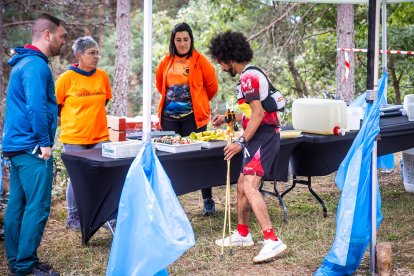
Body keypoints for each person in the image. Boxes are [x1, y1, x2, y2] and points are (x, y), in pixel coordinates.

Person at [209, 31, 287, 263]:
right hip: (258, 135)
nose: (222, 68)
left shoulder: (248, 78)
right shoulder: (249, 75)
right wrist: (227, 117)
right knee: (242, 184)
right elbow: (252, 112)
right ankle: (243, 234)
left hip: (263, 137)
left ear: (229, 57)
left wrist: (240, 141)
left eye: (221, 62)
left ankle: (272, 240)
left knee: (251, 185)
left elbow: (259, 114)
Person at [1, 13, 66, 276]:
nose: (64, 41)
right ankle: (25, 266)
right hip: (32, 147)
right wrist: (44, 143)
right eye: (61, 36)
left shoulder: (22, 63)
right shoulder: (36, 66)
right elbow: (36, 107)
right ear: (48, 34)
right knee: (36, 206)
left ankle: (18, 262)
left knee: (18, 204)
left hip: (16, 146)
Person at [155, 22, 219, 216]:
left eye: (186, 39)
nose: (182, 44)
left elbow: (212, 87)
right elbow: (160, 85)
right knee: (170, 160)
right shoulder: (166, 61)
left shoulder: (200, 61)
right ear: (173, 41)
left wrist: (197, 102)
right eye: (178, 40)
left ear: (191, 40)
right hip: (169, 119)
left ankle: (208, 200)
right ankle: (170, 204)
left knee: (199, 159)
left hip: (194, 119)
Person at [55, 36, 112, 231]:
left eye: (97, 52)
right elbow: (55, 106)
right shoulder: (66, 78)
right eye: (91, 53)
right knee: (77, 178)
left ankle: (103, 216)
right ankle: (73, 218)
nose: (97, 56)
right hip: (74, 138)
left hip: (100, 136)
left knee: (103, 175)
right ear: (79, 55)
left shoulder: (102, 76)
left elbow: (103, 102)